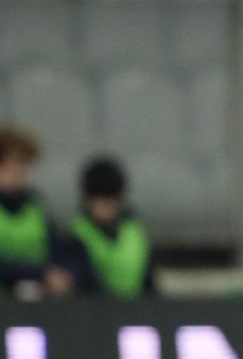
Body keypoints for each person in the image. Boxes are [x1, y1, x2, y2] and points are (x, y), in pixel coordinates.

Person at [57, 158, 157, 298]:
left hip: (137, 308)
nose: (104, 208)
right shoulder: (77, 235)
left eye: (109, 201)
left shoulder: (134, 232)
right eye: (99, 201)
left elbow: (149, 282)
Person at [0, 126, 64, 299]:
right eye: (8, 165)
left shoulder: (36, 207)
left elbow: (55, 249)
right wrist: (38, 273)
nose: (17, 171)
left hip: (35, 299)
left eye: (22, 163)